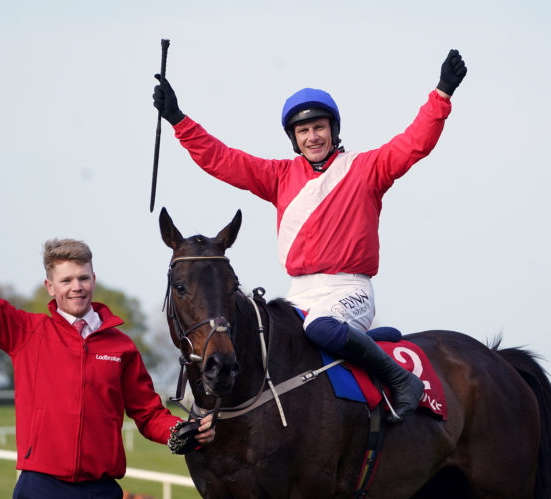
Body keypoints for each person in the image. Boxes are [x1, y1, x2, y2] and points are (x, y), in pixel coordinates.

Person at [153, 50, 467, 423]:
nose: (312, 136)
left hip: (349, 289)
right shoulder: (279, 176)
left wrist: (442, 93)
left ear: (333, 130)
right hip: (299, 292)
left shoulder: (366, 169)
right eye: (303, 131)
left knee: (320, 327)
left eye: (319, 127)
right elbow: (223, 160)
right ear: (294, 138)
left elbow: (414, 143)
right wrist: (177, 119)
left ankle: (400, 381)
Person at [0, 187, 215, 499]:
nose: (77, 287)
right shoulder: (25, 332)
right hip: (40, 486)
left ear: (94, 279)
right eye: (66, 280)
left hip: (101, 489)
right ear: (50, 287)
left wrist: (179, 432)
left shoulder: (122, 347)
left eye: (83, 278)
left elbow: (148, 413)